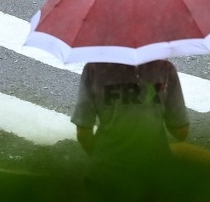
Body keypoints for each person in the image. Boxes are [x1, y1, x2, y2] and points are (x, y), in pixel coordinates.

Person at [71, 59, 189, 197]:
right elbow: (181, 132)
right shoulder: (164, 69)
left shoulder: (93, 69)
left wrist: (104, 157)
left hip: (104, 176)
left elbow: (83, 133)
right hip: (153, 175)